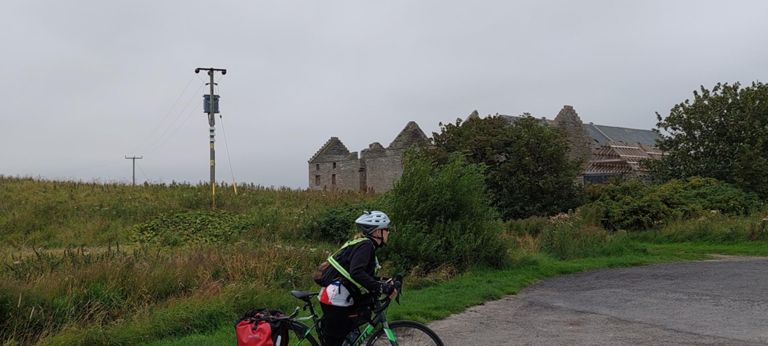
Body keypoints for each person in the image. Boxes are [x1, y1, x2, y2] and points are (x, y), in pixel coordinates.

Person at [317, 211, 397, 346]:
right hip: (336, 299)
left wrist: (385, 281)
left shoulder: (364, 244)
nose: (388, 232)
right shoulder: (366, 246)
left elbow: (364, 276)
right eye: (386, 229)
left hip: (340, 297)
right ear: (378, 232)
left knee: (348, 337)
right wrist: (381, 287)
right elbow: (356, 273)